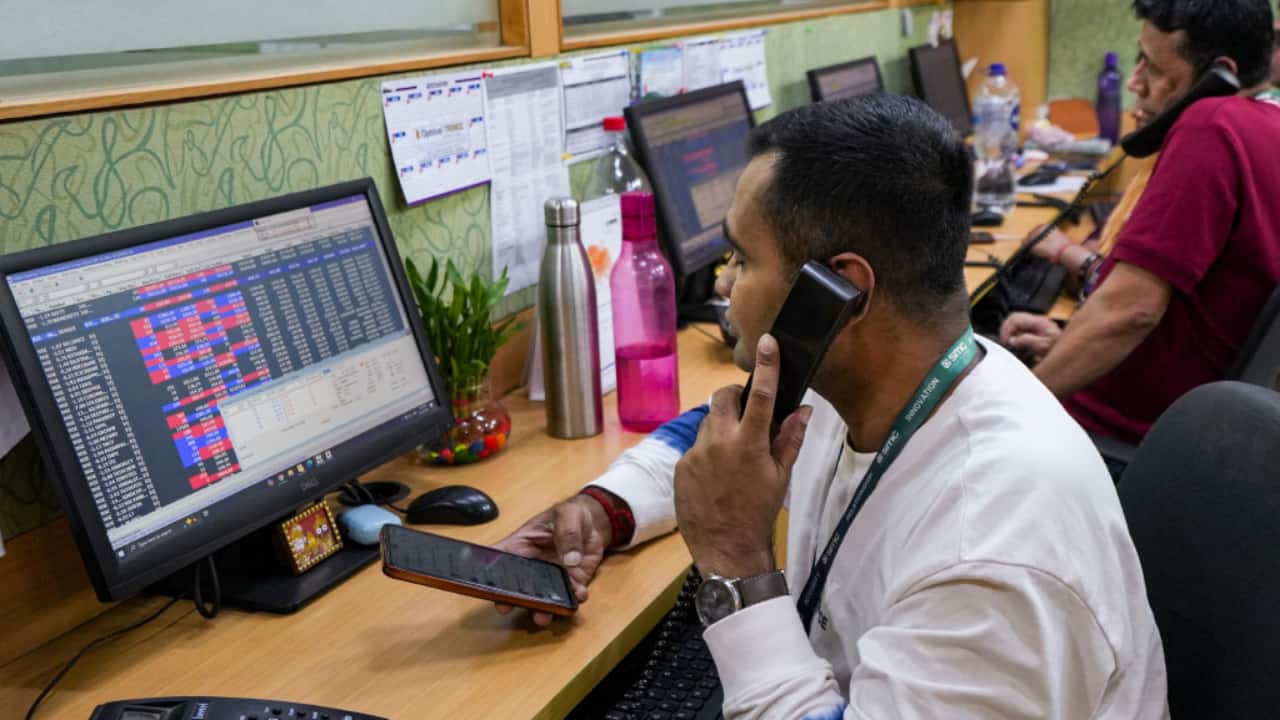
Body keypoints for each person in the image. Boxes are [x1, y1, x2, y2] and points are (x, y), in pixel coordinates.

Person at [494, 94, 1167, 718]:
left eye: (740, 259)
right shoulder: (879, 381)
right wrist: (601, 510)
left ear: (842, 291)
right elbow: (718, 434)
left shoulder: (988, 550)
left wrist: (736, 565)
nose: (723, 285)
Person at [1001, 0, 1280, 474]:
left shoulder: (1211, 124)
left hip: (1119, 440)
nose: (1135, 83)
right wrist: (1070, 344)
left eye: (1151, 66)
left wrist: (1015, 409)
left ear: (1220, 74)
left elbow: (1131, 313)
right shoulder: (1265, 126)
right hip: (1185, 424)